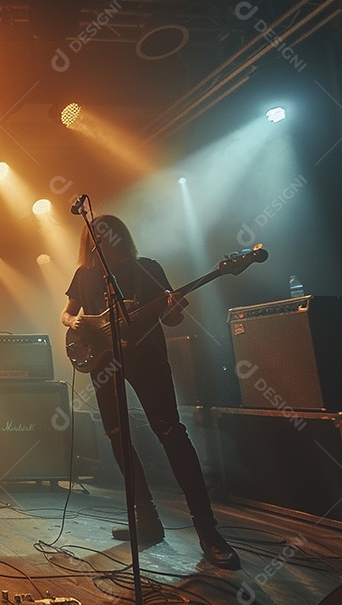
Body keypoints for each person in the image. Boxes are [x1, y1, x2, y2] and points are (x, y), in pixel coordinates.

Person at [60, 215, 240, 570]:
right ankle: (147, 520)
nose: (103, 242)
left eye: (108, 236)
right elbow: (67, 312)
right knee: (116, 436)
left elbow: (172, 319)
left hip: (147, 359)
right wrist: (74, 322)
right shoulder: (83, 276)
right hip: (102, 362)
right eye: (95, 238)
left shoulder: (146, 268)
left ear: (121, 237)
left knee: (171, 433)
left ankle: (207, 531)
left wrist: (172, 306)